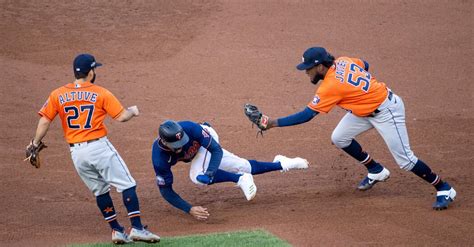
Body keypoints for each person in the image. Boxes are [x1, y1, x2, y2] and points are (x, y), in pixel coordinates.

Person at [245, 47, 456, 210]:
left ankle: (444, 188)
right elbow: (365, 64)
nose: (306, 72)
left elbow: (307, 115)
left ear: (320, 67)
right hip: (364, 110)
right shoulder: (343, 61)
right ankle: (376, 170)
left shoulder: (330, 86)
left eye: (308, 68)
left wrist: (272, 123)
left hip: (387, 111)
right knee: (339, 138)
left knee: (406, 160)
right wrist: (360, 92)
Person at [27, 54, 160, 244]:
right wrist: (133, 111)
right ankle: (137, 228)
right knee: (127, 184)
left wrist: (34, 143)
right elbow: (121, 117)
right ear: (90, 72)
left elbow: (45, 120)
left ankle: (116, 231)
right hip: (98, 147)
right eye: (94, 69)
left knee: (100, 191)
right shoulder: (100, 92)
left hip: (77, 154)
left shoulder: (57, 94)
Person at [152, 120, 309, 220]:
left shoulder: (191, 129)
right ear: (164, 142)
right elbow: (166, 191)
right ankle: (282, 163)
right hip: (198, 154)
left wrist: (210, 173)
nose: (180, 147)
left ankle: (240, 179)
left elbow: (216, 150)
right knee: (244, 166)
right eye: (176, 146)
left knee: (197, 176)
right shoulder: (160, 159)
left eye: (182, 142)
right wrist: (189, 209)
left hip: (208, 140)